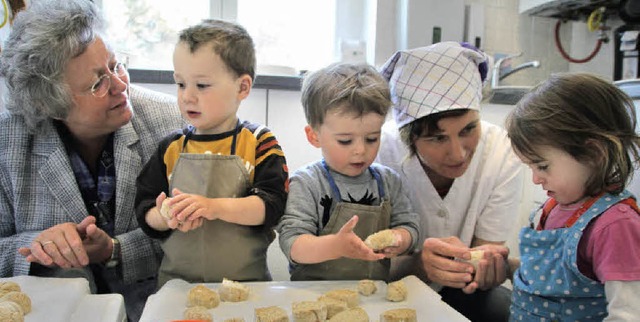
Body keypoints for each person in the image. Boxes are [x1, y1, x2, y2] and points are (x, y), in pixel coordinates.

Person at [0, 0, 184, 321]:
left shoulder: (170, 122)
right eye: (98, 82)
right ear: (50, 105)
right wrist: (37, 246)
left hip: (152, 309)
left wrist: (115, 249)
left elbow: (193, 237)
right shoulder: (7, 143)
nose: (120, 85)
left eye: (116, 65)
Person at [135, 19, 288, 288]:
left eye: (201, 86)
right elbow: (145, 208)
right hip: (176, 286)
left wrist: (213, 207)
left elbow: (271, 207)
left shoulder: (259, 143)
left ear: (242, 87)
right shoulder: (170, 147)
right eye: (181, 84)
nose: (187, 96)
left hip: (247, 286)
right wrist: (164, 216)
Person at [376, 41, 524, 321]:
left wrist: (488, 269)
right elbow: (366, 265)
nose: (458, 153)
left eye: (468, 129)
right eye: (437, 138)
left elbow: (484, 260)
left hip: (466, 293)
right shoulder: (380, 153)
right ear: (409, 138)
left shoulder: (502, 151)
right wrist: (418, 264)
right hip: (390, 289)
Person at [505, 73, 640, 321]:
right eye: (531, 168)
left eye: (543, 166)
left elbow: (628, 314)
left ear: (593, 153)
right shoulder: (553, 207)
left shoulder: (615, 225)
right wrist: (507, 268)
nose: (536, 179)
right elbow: (547, 285)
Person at [277, 62, 420, 281]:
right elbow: (293, 244)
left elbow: (410, 226)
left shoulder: (388, 181)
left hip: (371, 296)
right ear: (314, 136)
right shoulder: (307, 183)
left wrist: (401, 238)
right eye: (345, 141)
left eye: (372, 138)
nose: (360, 150)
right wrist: (334, 246)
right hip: (314, 296)